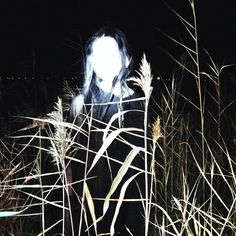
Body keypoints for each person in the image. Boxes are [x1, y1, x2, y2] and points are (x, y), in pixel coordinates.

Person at [68, 26, 147, 236]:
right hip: (92, 198)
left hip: (130, 198)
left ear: (126, 59)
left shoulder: (140, 103)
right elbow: (73, 160)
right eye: (98, 53)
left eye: (111, 54)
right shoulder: (80, 104)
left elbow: (144, 161)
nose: (105, 60)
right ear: (90, 60)